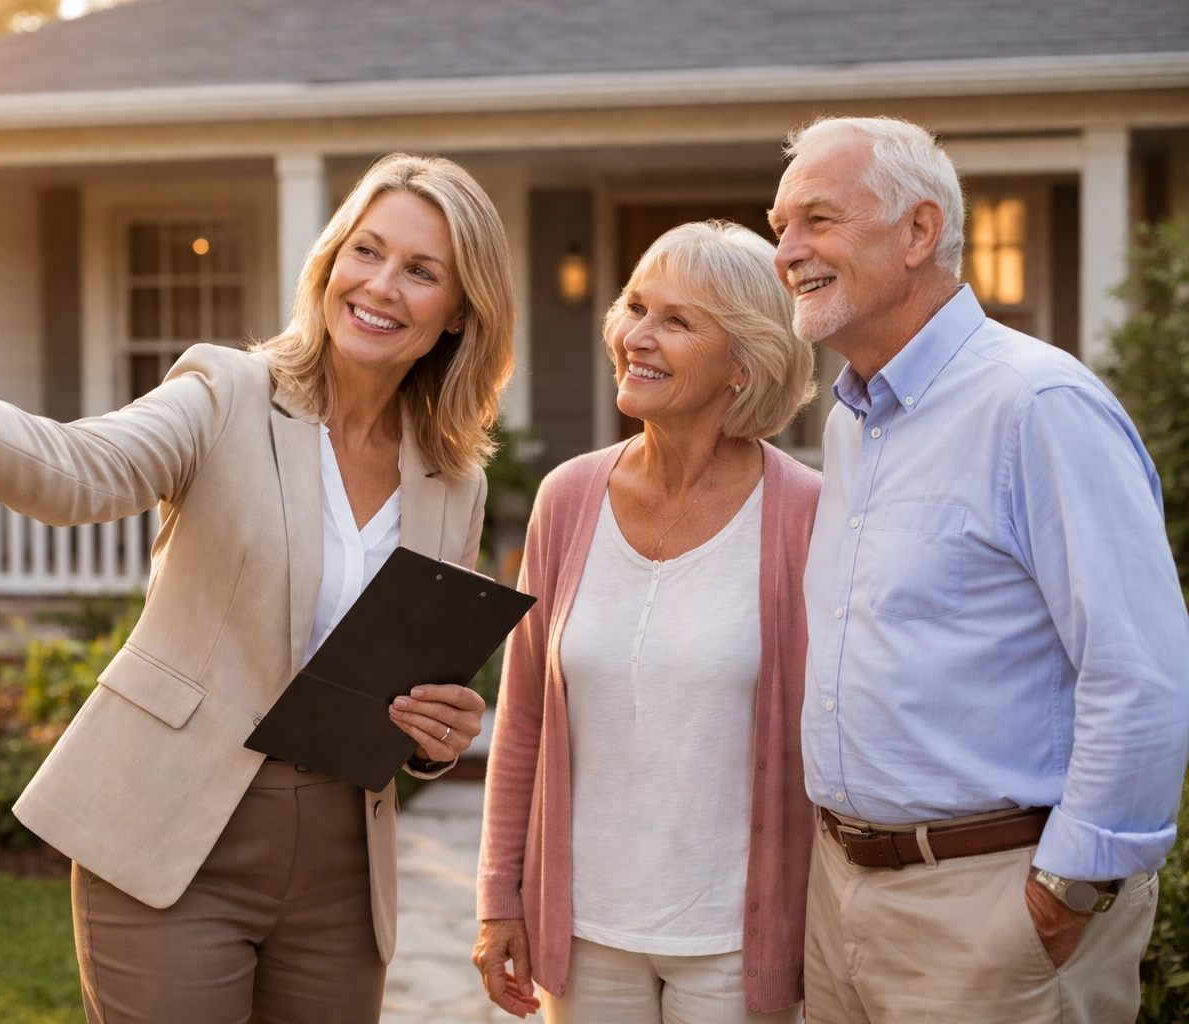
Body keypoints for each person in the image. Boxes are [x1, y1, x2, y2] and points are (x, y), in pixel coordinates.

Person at [0, 153, 518, 1024]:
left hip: (341, 864)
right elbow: (88, 468)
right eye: (364, 251)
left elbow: (417, 671)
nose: (379, 285)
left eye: (421, 271)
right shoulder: (227, 392)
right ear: (330, 261)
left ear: (459, 314)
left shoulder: (453, 480)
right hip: (171, 834)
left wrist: (437, 737)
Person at [768, 115, 1189, 1024]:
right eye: (780, 228)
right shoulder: (850, 425)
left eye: (816, 220)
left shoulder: (1039, 406)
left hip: (994, 909)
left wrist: (1066, 892)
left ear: (920, 232)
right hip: (842, 895)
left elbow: (1139, 668)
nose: (787, 251)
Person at [474, 220, 821, 1023]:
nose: (637, 336)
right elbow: (523, 714)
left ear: (744, 361)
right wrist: (500, 897)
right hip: (584, 930)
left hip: (736, 937)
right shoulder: (566, 499)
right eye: (635, 306)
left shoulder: (803, 513)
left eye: (677, 320)